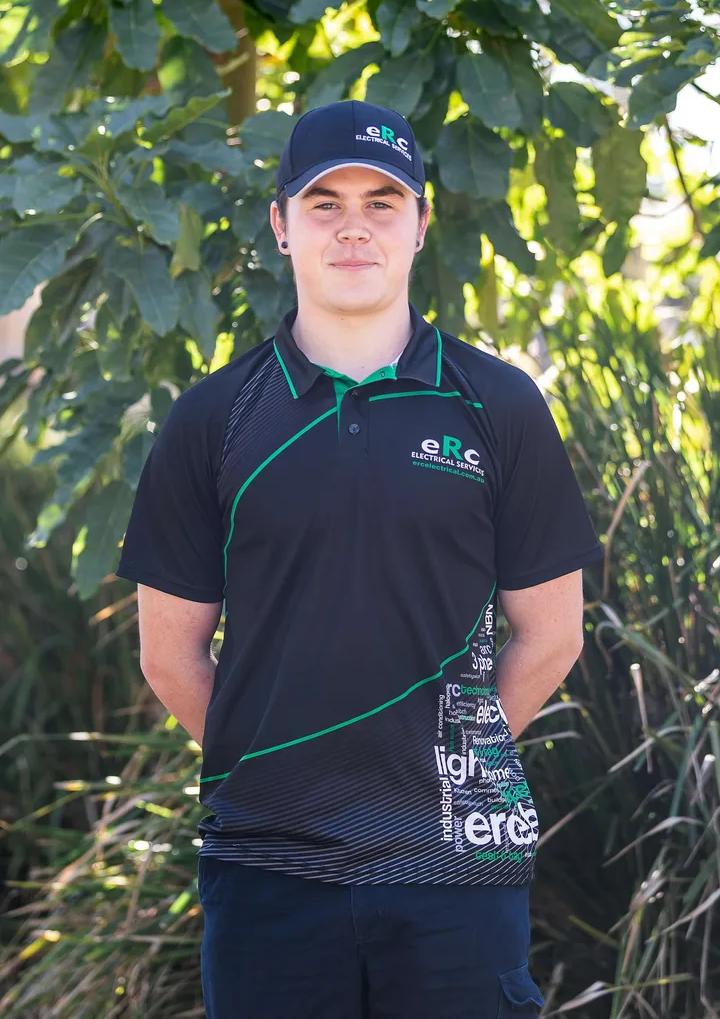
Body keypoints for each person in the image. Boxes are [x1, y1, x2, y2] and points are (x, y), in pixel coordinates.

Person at [117, 99, 603, 1019]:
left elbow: (552, 636)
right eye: (324, 203)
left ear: (422, 224)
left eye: (382, 202)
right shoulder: (214, 420)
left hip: (458, 865)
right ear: (281, 226)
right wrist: (278, 774)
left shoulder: (498, 406)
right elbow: (168, 655)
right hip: (268, 870)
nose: (353, 228)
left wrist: (436, 773)